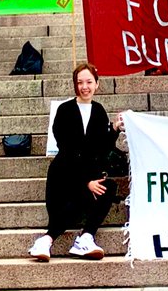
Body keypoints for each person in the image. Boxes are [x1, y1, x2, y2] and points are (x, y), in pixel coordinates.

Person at [30, 62, 124, 261]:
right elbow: (67, 150)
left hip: (88, 174)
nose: (84, 87)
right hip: (64, 174)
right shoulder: (64, 110)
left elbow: (101, 149)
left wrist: (114, 129)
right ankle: (47, 239)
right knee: (81, 192)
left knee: (108, 188)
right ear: (75, 85)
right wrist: (86, 182)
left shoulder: (99, 111)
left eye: (89, 82)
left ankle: (86, 237)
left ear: (97, 84)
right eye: (80, 82)